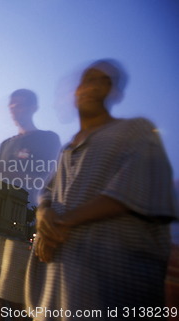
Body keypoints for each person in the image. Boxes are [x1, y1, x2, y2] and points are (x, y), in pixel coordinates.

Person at [25, 59, 177, 320]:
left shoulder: (136, 129)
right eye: (87, 80)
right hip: (60, 279)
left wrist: (57, 226)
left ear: (114, 93)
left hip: (114, 284)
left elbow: (135, 188)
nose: (93, 87)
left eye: (104, 81)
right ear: (76, 91)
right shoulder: (68, 149)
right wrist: (43, 214)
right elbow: (48, 191)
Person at [0, 89, 60, 320]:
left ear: (32, 108)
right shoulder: (7, 143)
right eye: (11, 105)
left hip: (22, 227)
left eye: (19, 104)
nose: (14, 109)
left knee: (19, 297)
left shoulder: (47, 139)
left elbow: (41, 176)